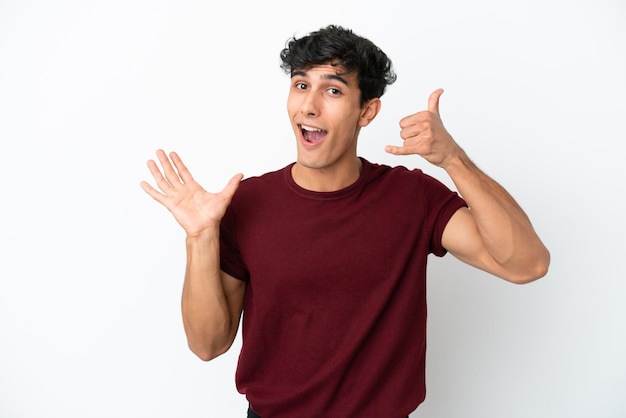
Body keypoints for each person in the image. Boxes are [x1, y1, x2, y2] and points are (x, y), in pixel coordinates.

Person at [140, 24, 550, 418]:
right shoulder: (247, 203)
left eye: (332, 90)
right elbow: (207, 344)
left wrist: (452, 159)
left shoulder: (411, 196)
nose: (309, 105)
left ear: (367, 111)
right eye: (301, 85)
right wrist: (199, 236)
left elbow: (526, 264)